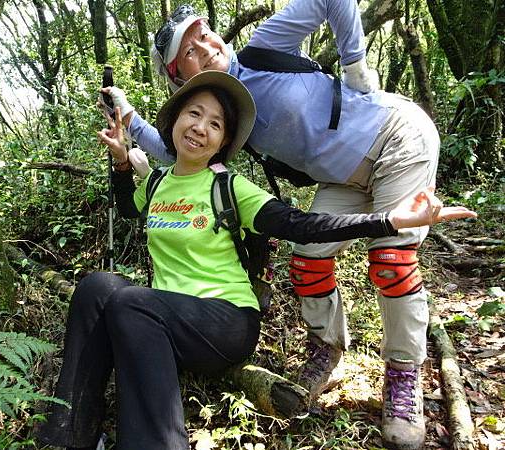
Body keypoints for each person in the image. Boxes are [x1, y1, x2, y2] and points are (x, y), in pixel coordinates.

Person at [36, 70, 475, 450]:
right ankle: (70, 432)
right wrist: (119, 164)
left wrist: (391, 219)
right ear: (174, 120)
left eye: (215, 124)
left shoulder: (231, 188)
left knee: (131, 302)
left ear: (223, 142)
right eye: (194, 113)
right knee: (98, 286)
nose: (200, 128)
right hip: (166, 318)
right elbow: (129, 210)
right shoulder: (157, 184)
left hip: (225, 321)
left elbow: (303, 225)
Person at [102, 1, 448, 448]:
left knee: (391, 260)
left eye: (203, 34)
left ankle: (403, 378)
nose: (204, 47)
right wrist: (128, 117)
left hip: (396, 135)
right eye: (187, 51)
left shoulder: (262, 48)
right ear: (179, 78)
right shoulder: (227, 117)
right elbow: (175, 153)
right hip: (343, 178)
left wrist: (355, 65)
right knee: (307, 263)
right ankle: (327, 347)